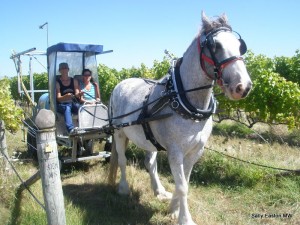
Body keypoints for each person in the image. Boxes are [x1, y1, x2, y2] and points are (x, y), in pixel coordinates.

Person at [56, 62, 80, 134]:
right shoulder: (57, 82)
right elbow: (58, 98)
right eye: (62, 68)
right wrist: (65, 97)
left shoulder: (74, 81)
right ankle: (70, 130)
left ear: (68, 69)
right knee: (67, 107)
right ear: (59, 70)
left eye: (65, 68)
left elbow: (77, 94)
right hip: (62, 105)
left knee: (81, 107)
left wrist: (79, 94)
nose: (64, 70)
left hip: (72, 103)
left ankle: (86, 126)